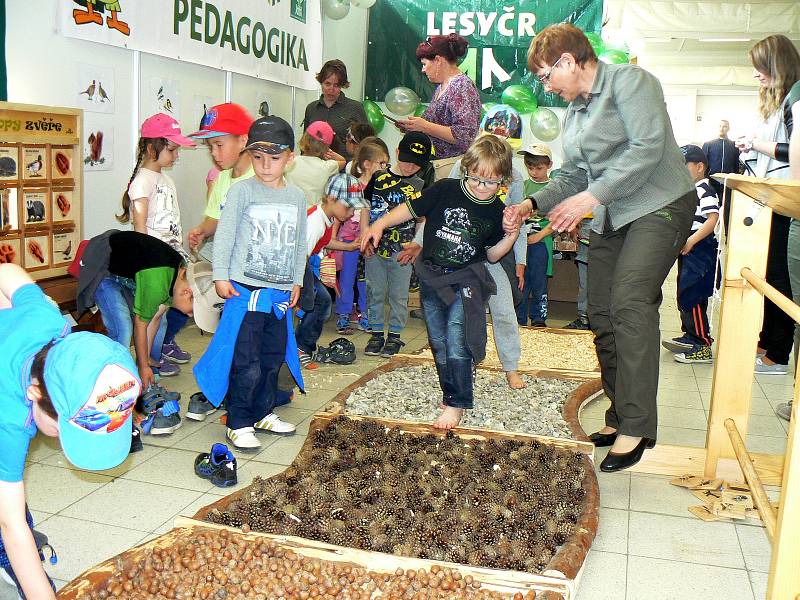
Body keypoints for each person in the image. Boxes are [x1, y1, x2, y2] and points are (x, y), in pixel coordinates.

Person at [507, 24, 696, 472]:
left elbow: (647, 147)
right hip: (614, 213)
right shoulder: (574, 115)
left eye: (545, 74)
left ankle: (637, 426)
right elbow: (572, 177)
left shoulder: (631, 82)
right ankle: (618, 413)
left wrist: (593, 197)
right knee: (601, 310)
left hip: (660, 202)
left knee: (631, 301)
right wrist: (531, 203)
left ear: (569, 61)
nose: (545, 85)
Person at [0, 263, 142, 600]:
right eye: (65, 432)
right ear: (35, 392)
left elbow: (6, 271)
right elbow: (12, 525)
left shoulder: (50, 323)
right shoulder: (11, 418)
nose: (63, 445)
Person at [363, 135, 520, 429]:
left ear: (503, 181)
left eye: (490, 183)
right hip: (432, 277)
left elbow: (494, 255)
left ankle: (457, 402)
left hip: (466, 279)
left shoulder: (497, 211)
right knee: (438, 341)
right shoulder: (446, 189)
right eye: (475, 178)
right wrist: (380, 223)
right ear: (467, 169)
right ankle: (452, 387)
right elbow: (410, 209)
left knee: (456, 338)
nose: (480, 187)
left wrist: (511, 235)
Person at [196, 116, 307, 450]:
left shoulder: (297, 197)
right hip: (245, 292)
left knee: (272, 356)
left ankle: (262, 411)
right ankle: (239, 419)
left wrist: (297, 280)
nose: (265, 166)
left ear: (290, 159)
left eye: (274, 158)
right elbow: (226, 235)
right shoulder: (241, 190)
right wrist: (219, 275)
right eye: (258, 158)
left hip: (278, 295)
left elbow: (300, 242)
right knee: (246, 360)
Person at [75, 231, 198, 437]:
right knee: (123, 327)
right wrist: (142, 366)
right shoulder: (158, 280)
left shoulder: (176, 277)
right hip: (104, 267)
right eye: (192, 310)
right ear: (187, 293)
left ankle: (142, 383)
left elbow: (155, 317)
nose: (191, 315)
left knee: (160, 316)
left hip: (126, 270)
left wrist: (146, 360)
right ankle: (113, 390)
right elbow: (141, 323)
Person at [735, 35, 800, 379]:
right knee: (770, 276)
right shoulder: (780, 102)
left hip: (787, 202)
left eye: (760, 68)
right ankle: (767, 340)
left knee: (780, 279)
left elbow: (793, 153)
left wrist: (757, 144)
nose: (756, 75)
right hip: (772, 199)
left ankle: (779, 350)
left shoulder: (795, 98)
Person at [116, 113, 196, 376]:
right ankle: (142, 366)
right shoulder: (142, 182)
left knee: (160, 313)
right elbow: (141, 229)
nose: (176, 156)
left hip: (170, 260)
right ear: (152, 148)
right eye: (171, 149)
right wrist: (146, 263)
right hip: (153, 263)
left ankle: (148, 362)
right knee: (151, 315)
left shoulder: (166, 180)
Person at [361, 132, 431, 358]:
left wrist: (416, 244)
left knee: (399, 295)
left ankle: (395, 336)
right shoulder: (378, 178)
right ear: (398, 152)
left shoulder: (420, 184)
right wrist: (365, 234)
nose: (410, 167)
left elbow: (422, 219)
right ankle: (377, 333)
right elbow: (365, 207)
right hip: (375, 248)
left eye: (417, 164)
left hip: (402, 251)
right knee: (375, 291)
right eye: (407, 160)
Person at [296, 173, 371, 363]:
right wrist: (298, 286)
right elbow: (300, 253)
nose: (351, 212)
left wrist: (348, 246)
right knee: (317, 303)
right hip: (297, 267)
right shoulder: (315, 221)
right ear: (331, 199)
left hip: (301, 265)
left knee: (321, 302)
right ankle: (301, 347)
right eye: (348, 206)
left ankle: (304, 344)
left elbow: (326, 241)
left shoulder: (327, 218)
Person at [661, 145, 720, 365]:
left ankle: (702, 343)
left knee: (694, 296)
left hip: (700, 250)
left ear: (699, 167)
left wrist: (692, 240)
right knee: (684, 293)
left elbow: (712, 220)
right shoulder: (690, 190)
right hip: (689, 249)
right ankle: (689, 334)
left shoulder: (705, 189)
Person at [396, 34, 481, 180]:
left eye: (424, 64)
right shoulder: (443, 86)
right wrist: (413, 127)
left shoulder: (461, 86)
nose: (423, 70)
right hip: (440, 165)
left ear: (438, 60)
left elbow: (465, 135)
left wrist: (424, 126)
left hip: (453, 168)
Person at [187, 103, 255, 262]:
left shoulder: (262, 178)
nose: (214, 153)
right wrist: (203, 230)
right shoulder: (222, 179)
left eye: (219, 145)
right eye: (210, 147)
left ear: (243, 140)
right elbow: (215, 218)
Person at [334, 138, 390, 334]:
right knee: (347, 278)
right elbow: (339, 215)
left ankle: (367, 315)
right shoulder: (353, 185)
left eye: (386, 164)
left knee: (367, 279)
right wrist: (333, 241)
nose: (385, 167)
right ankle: (343, 314)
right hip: (350, 238)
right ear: (367, 164)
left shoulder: (382, 186)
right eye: (381, 163)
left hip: (371, 240)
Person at [516, 143, 555, 328]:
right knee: (521, 282)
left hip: (541, 242)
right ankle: (520, 319)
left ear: (549, 165)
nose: (534, 172)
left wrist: (539, 236)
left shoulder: (554, 188)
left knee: (539, 283)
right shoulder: (523, 186)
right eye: (530, 167)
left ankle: (539, 319)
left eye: (539, 168)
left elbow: (557, 220)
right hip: (522, 242)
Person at [303, 59, 368, 161]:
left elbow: (367, 145)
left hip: (344, 170)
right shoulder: (311, 108)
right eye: (327, 84)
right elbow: (305, 144)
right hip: (315, 169)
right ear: (321, 82)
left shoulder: (355, 108)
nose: (331, 89)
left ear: (343, 85)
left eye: (336, 85)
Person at [285, 121, 340, 207]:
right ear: (326, 147)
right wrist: (330, 153)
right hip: (314, 215)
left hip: (292, 212)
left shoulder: (289, 162)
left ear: (304, 138)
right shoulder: (327, 166)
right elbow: (343, 161)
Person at [702, 119, 740, 229]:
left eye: (724, 126)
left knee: (726, 210)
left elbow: (736, 166)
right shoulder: (708, 145)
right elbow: (703, 165)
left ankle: (724, 231)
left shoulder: (734, 146)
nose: (721, 128)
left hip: (727, 184)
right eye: (720, 126)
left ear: (728, 128)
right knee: (711, 209)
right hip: (711, 184)